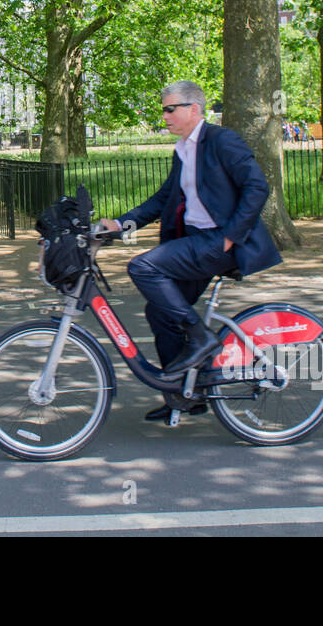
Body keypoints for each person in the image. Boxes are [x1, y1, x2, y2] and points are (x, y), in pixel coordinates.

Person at [99, 81, 282, 424]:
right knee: (160, 313)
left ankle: (200, 338)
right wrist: (121, 224)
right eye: (164, 109)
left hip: (218, 242)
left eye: (171, 109)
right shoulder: (183, 149)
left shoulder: (220, 140)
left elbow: (257, 186)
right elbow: (163, 199)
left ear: (193, 109)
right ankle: (185, 395)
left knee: (143, 267)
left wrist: (231, 236)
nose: (164, 115)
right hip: (196, 241)